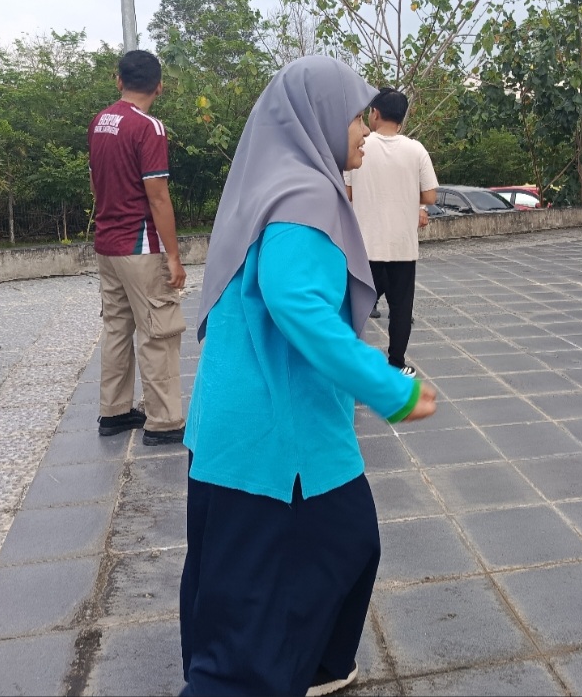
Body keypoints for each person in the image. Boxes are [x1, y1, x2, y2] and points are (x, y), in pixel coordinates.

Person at [179, 56, 437, 697]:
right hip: (279, 430)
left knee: (250, 567)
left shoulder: (264, 184)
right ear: (315, 117)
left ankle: (320, 664)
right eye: (355, 116)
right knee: (281, 586)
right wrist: (392, 388)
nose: (364, 130)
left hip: (234, 421)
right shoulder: (306, 196)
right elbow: (297, 304)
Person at [88, 50, 187, 446]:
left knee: (117, 327)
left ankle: (113, 411)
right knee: (158, 332)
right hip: (140, 246)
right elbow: (158, 196)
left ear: (119, 80)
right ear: (159, 86)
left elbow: (96, 181)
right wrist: (173, 257)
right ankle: (164, 421)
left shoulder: (100, 122)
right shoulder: (149, 127)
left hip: (107, 244)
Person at [344, 87, 438, 377]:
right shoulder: (416, 150)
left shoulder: (359, 147)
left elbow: (347, 193)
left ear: (375, 113)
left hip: (364, 247)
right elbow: (430, 196)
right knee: (400, 310)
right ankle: (397, 363)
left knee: (355, 308)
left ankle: (350, 364)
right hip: (402, 247)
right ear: (401, 117)